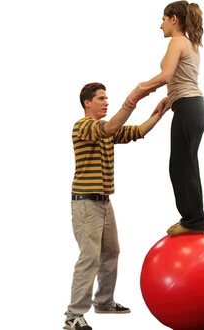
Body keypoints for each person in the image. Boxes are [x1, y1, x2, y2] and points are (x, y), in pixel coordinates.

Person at [64, 82, 166, 330]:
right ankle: (73, 316)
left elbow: (138, 131)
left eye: (107, 98)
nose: (106, 102)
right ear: (87, 103)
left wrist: (159, 112)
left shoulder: (108, 132)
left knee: (111, 251)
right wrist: (133, 100)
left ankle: (104, 301)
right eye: (101, 98)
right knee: (90, 258)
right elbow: (110, 127)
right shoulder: (84, 126)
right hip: (86, 203)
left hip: (103, 202)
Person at [128, 1, 204, 236]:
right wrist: (170, 98)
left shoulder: (177, 41)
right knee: (187, 165)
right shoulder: (191, 44)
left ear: (174, 19)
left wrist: (140, 89)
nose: (160, 24)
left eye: (163, 19)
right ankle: (194, 218)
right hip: (193, 107)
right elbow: (182, 79)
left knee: (181, 166)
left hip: (189, 108)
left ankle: (193, 220)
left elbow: (166, 75)